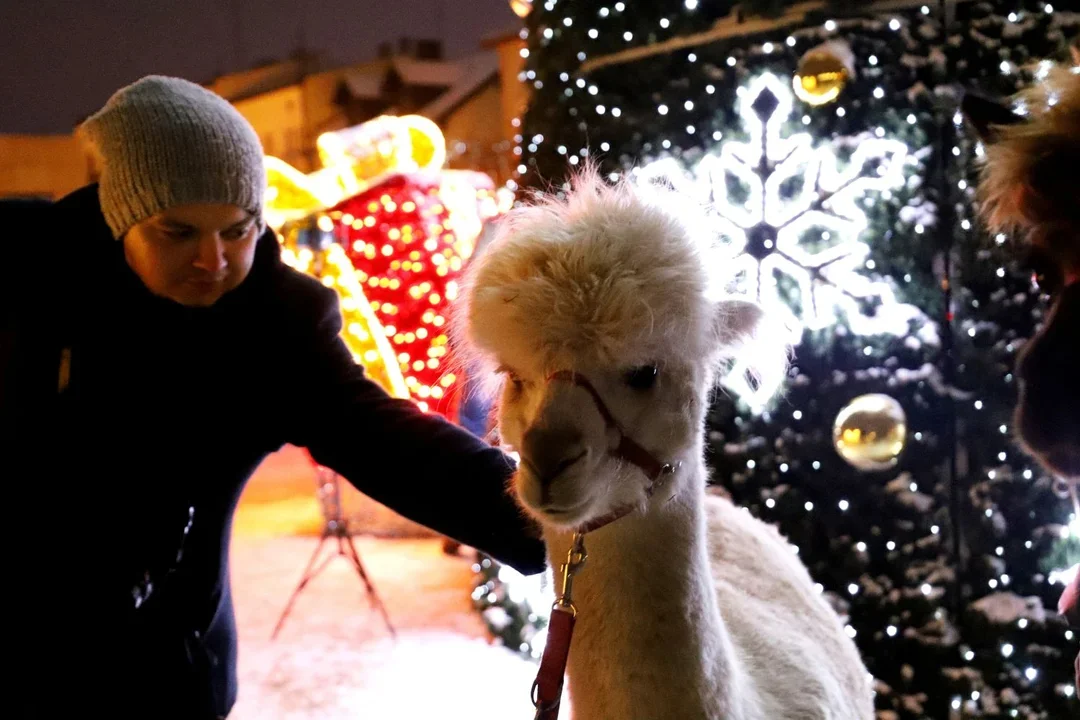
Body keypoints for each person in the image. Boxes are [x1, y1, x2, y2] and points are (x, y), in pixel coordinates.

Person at [1, 75, 545, 719]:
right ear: (123, 215)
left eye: (238, 230)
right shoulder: (25, 275)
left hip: (167, 676)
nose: (215, 260)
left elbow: (381, 437)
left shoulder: (271, 325)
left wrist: (542, 515)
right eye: (178, 232)